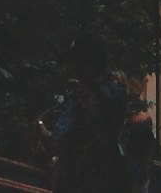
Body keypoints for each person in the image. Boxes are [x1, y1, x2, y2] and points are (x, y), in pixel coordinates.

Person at [45, 35, 131, 193]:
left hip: (77, 179)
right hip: (109, 176)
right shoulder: (117, 93)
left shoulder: (79, 96)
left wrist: (43, 133)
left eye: (75, 62)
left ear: (87, 63)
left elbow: (57, 139)